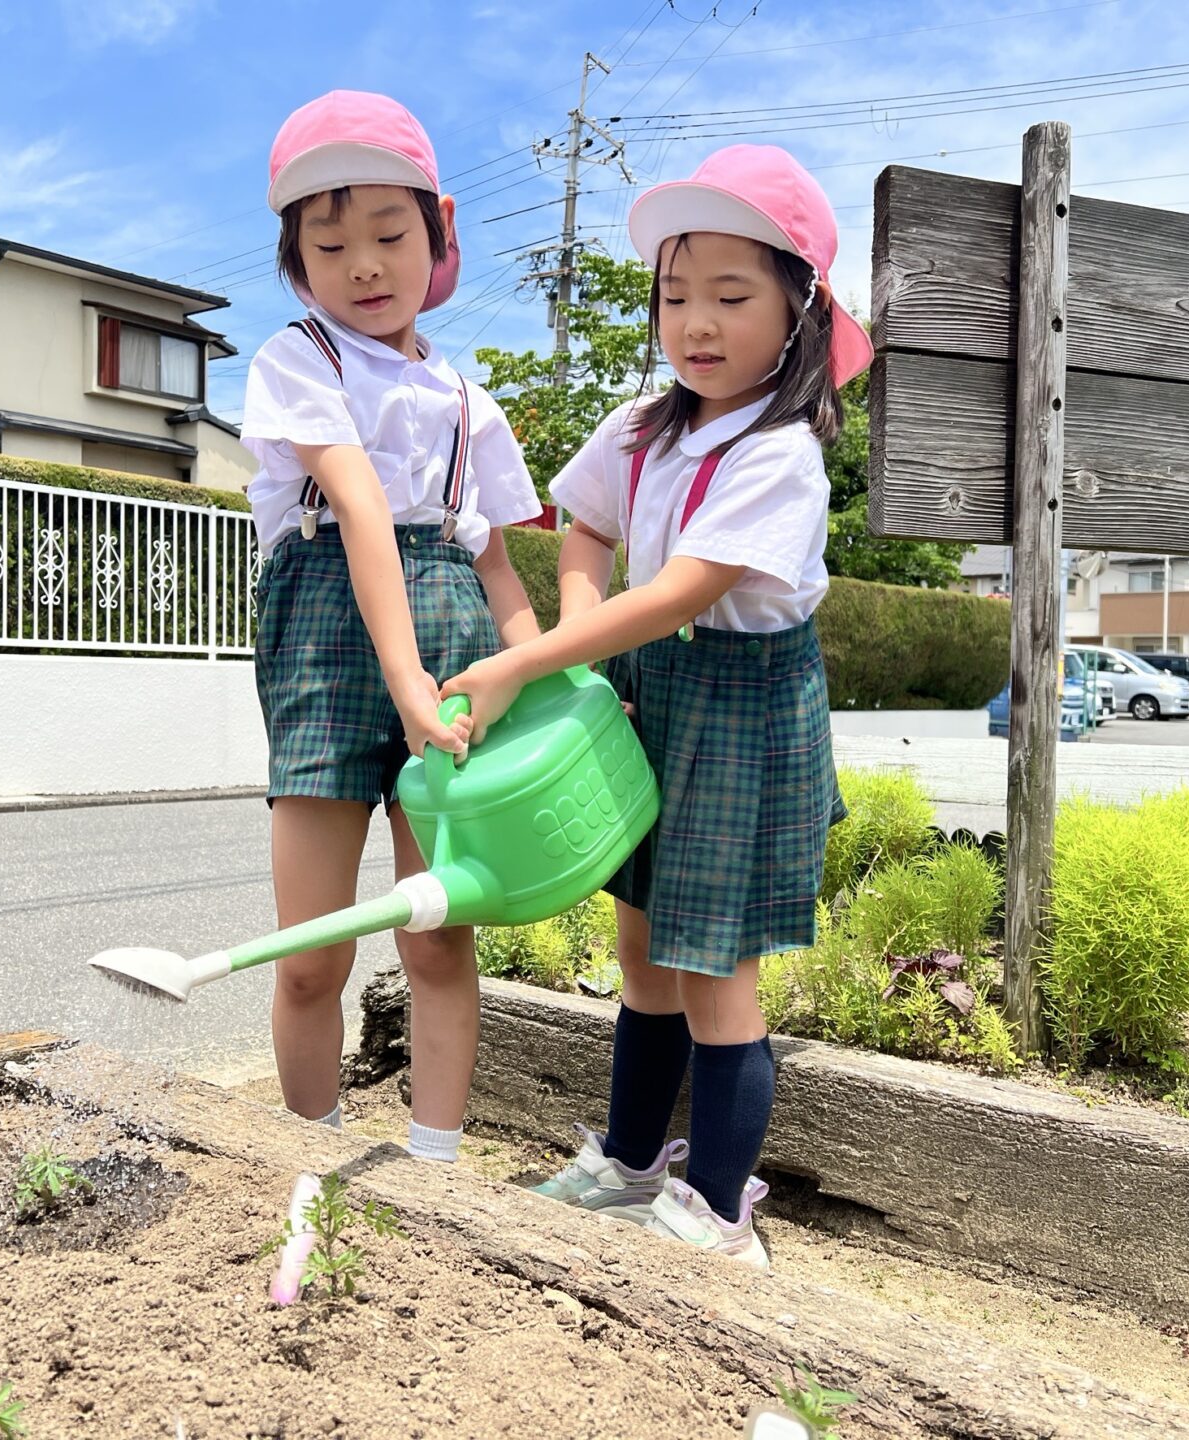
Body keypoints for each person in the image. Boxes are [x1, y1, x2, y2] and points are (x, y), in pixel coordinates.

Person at [439, 145, 871, 1264]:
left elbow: (681, 590)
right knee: (640, 950)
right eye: (676, 297)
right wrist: (585, 645)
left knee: (715, 967)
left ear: (800, 310)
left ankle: (719, 1212)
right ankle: (632, 1164)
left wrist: (528, 663)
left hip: (742, 707)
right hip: (649, 687)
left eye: (732, 296)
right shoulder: (643, 424)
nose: (697, 324)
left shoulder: (781, 453)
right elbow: (584, 528)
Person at [242, 90, 541, 1163]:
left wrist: (547, 679)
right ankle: (313, 1164)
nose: (363, 266)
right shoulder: (295, 361)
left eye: (388, 234)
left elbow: (497, 564)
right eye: (330, 247)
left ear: (438, 229)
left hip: (451, 652)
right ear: (297, 262)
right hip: (330, 650)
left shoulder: (469, 403)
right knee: (311, 955)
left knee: (439, 938)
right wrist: (407, 681)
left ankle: (434, 1167)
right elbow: (361, 508)